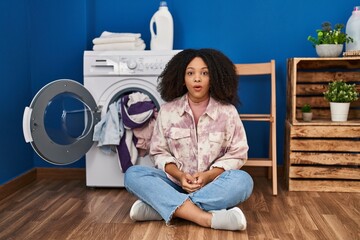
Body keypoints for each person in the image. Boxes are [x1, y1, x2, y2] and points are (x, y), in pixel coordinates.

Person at [124, 48, 253, 231]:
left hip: (214, 185)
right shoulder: (168, 111)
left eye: (204, 73)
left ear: (214, 77)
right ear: (182, 79)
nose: (197, 79)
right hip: (174, 184)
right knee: (133, 174)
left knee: (244, 181)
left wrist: (208, 176)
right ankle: (204, 218)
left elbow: (238, 153)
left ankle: (161, 208)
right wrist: (180, 175)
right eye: (190, 73)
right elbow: (158, 152)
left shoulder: (228, 112)